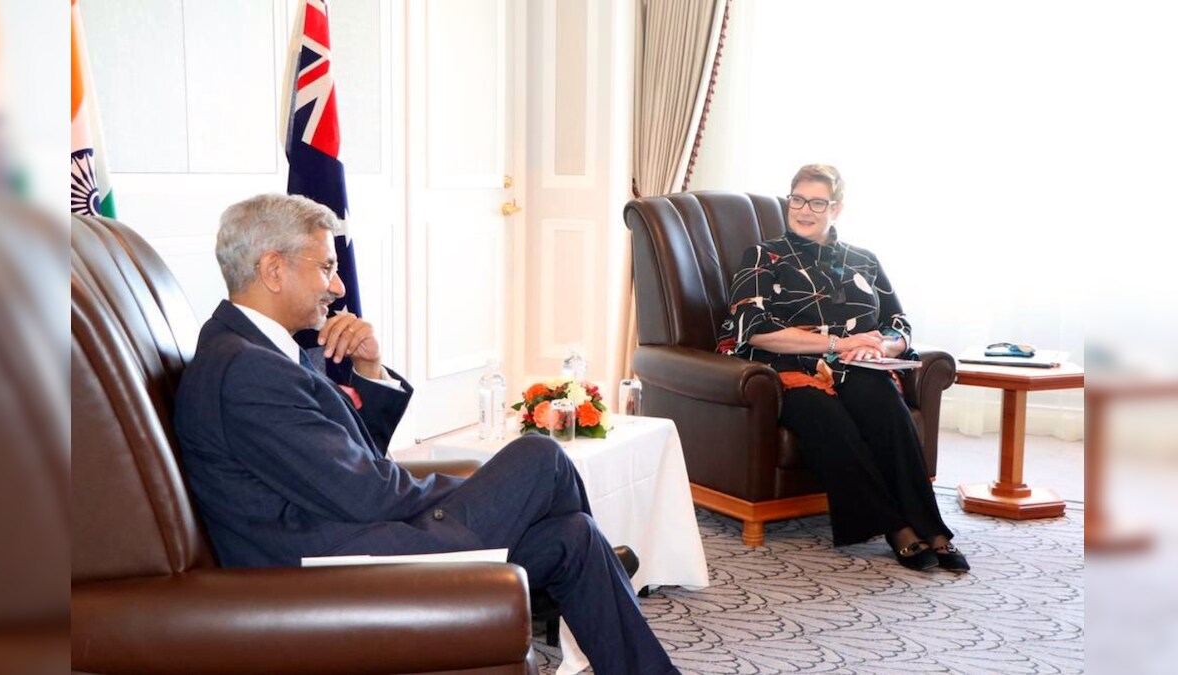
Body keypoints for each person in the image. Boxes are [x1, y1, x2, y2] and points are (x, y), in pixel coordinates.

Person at [174, 193, 678, 674]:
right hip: (331, 568)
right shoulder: (246, 371)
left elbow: (347, 462)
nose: (338, 286)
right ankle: (547, 591)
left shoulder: (252, 352)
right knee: (539, 459)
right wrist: (476, 492)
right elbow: (364, 492)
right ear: (273, 270)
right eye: (325, 267)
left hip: (346, 536)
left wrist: (369, 370)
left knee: (574, 536)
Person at [717, 164, 968, 573]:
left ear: (837, 208)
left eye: (818, 202)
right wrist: (838, 342)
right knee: (828, 420)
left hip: (857, 365)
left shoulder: (863, 260)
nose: (804, 209)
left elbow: (899, 324)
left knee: (888, 410)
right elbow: (756, 329)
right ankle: (898, 528)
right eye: (797, 199)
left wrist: (878, 346)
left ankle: (933, 529)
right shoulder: (763, 256)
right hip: (786, 369)